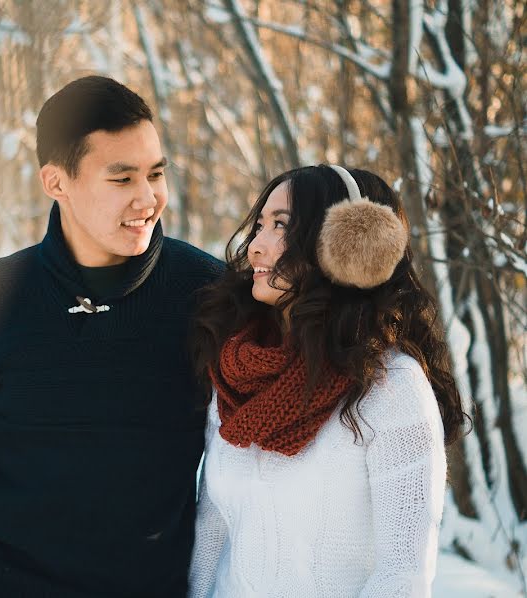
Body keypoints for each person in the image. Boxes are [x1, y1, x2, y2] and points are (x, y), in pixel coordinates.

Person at [0, 75, 224, 597]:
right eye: (121, 179)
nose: (148, 199)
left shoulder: (208, 294)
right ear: (56, 183)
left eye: (156, 174)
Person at [188, 165, 468, 597]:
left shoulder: (390, 388)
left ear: (345, 245)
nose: (256, 246)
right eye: (259, 225)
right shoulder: (237, 374)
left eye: (280, 226)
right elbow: (212, 526)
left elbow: (403, 576)